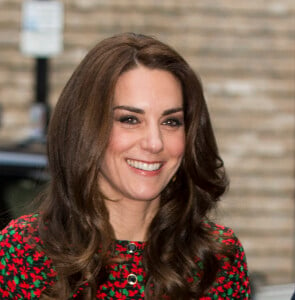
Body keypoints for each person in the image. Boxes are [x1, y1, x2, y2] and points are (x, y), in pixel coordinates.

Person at [0, 33, 251, 299]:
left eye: (171, 122)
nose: (154, 143)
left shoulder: (216, 257)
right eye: (130, 119)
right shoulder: (23, 252)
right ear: (86, 128)